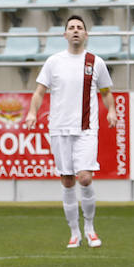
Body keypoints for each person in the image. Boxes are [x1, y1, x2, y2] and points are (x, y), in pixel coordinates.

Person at [24, 14, 117, 249]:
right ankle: (74, 232)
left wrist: (112, 110)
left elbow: (106, 91)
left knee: (84, 178)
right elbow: (39, 92)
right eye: (71, 27)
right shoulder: (54, 62)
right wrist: (32, 112)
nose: (75, 30)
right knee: (67, 181)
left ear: (86, 34)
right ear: (64, 34)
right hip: (59, 129)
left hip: (86, 129)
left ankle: (90, 228)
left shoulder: (95, 62)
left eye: (79, 27)